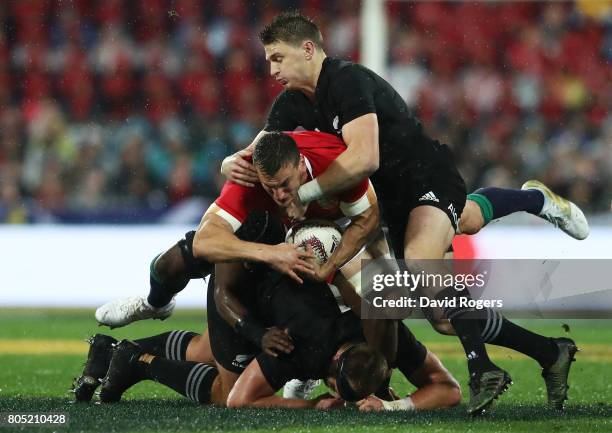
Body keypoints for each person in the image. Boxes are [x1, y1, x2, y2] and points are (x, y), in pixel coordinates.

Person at [218, 11, 588, 415]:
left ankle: (483, 369)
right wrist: (229, 164)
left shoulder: (345, 80)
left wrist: (303, 193)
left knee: (420, 263)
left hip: (424, 175)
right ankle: (550, 349)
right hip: (391, 204)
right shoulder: (289, 106)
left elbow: (365, 158)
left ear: (308, 49)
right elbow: (258, 153)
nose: (270, 68)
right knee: (446, 307)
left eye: (277, 57)